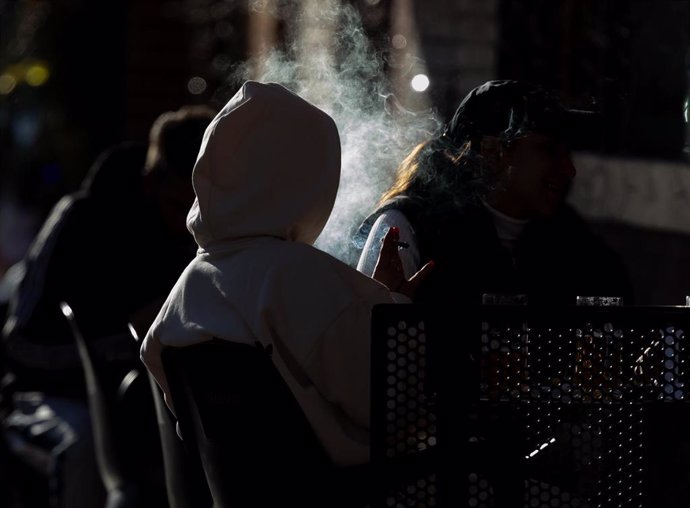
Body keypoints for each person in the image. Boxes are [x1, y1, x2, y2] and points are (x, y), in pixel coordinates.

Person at [141, 80, 431, 476]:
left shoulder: (191, 284)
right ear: (303, 177)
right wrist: (395, 311)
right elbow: (388, 400)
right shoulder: (297, 276)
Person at [0, 105, 216, 508]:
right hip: (51, 395)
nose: (189, 225)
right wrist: (130, 345)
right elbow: (19, 345)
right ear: (152, 181)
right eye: (178, 207)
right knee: (82, 448)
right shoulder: (81, 220)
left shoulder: (201, 235)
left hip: (149, 404)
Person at [356, 79, 633, 306]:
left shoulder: (575, 245)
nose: (569, 169)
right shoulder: (407, 229)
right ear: (492, 152)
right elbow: (358, 351)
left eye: (567, 151)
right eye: (549, 149)